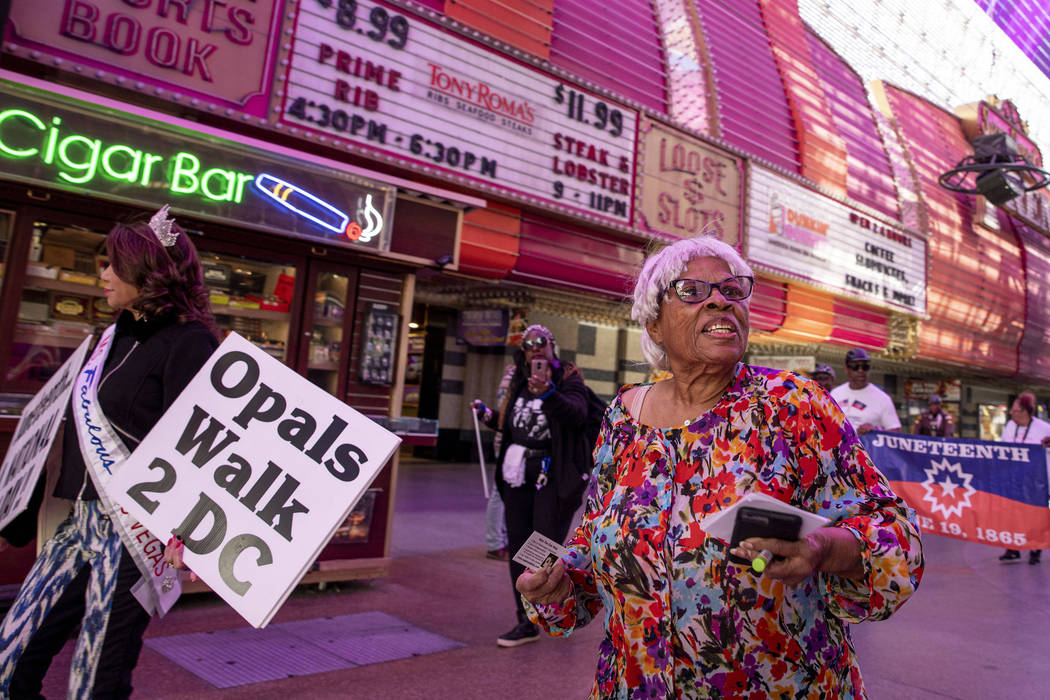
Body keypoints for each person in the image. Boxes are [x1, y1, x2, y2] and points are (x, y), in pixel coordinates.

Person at [516, 236, 924, 697]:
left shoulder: (793, 405)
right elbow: (597, 542)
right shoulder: (623, 416)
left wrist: (824, 549)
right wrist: (559, 581)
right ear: (653, 324)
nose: (718, 300)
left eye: (732, 290)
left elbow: (897, 538)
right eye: (691, 291)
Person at [0, 206, 219, 698]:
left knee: (95, 681)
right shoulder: (108, 338)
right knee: (9, 658)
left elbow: (198, 446)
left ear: (149, 271)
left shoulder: (190, 343)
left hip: (134, 532)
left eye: (114, 264)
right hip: (78, 522)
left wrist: (185, 533)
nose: (102, 274)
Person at [471, 325, 590, 647]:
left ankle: (555, 612)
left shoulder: (568, 379)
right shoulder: (520, 381)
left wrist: (549, 394)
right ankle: (525, 620)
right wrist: (486, 415)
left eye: (542, 343)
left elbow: (577, 415)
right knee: (517, 549)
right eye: (528, 345)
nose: (535, 349)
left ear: (553, 346)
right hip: (518, 476)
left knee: (541, 550)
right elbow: (510, 422)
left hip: (551, 477)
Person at [998, 391, 1050, 564]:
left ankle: (1036, 548)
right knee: (1012, 514)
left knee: (1034, 515)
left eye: (1016, 410)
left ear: (1026, 411)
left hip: (1036, 481)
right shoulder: (1010, 427)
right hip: (1013, 479)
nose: (1012, 413)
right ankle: (1013, 548)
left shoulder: (1043, 428)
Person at [830, 347, 902, 435]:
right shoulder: (835, 393)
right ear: (846, 369)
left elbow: (895, 431)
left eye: (865, 367)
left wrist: (876, 430)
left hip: (867, 448)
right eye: (855, 367)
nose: (860, 370)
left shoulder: (883, 398)